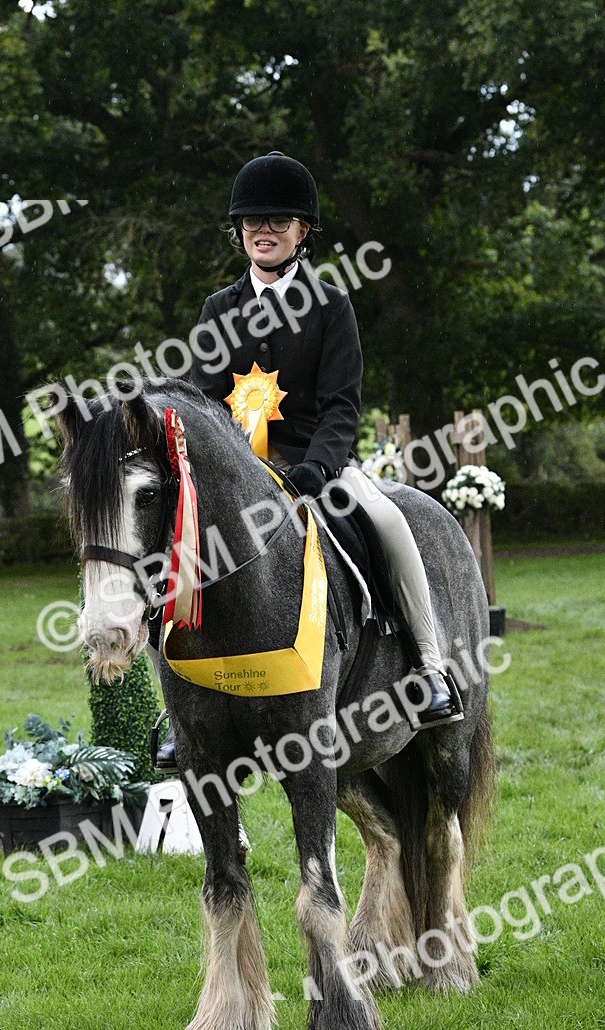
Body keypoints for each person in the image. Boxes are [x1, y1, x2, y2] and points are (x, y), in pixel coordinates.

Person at [154, 151, 461, 771]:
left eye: (278, 221)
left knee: (390, 522)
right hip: (235, 478)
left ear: (303, 231)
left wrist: (314, 472)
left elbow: (342, 406)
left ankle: (428, 665)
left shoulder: (330, 307)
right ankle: (179, 707)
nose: (262, 232)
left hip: (317, 469)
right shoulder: (219, 309)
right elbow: (201, 404)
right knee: (168, 547)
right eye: (250, 223)